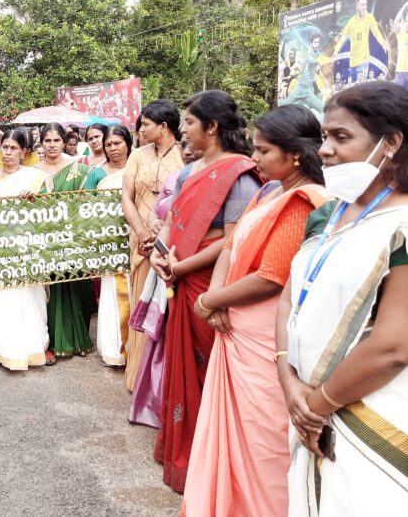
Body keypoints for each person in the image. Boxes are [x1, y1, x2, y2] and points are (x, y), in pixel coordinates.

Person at [183, 106, 331, 516]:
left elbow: (272, 277)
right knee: (234, 434)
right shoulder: (268, 191)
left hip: (265, 336)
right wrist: (214, 296)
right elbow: (231, 247)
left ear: (295, 155)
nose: (255, 159)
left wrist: (212, 301)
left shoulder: (305, 201)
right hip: (233, 321)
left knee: (262, 435)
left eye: (264, 151)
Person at [276, 82, 408, 515]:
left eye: (341, 136)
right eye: (324, 137)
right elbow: (291, 295)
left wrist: (317, 404)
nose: (326, 150)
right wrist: (288, 378)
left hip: (371, 414)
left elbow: (393, 347)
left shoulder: (401, 224)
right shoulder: (328, 214)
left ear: (391, 143)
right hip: (307, 404)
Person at [149, 91, 261, 493]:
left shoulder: (241, 174)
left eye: (190, 122)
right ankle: (188, 446)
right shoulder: (188, 172)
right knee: (182, 366)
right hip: (177, 276)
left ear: (212, 127)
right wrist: (161, 257)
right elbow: (171, 222)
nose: (182, 129)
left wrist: (180, 266)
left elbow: (233, 241)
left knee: (209, 370)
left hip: (208, 284)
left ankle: (215, 455)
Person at [128, 134, 202, 429]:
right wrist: (155, 230)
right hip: (162, 263)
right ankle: (159, 404)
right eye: (183, 145)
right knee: (162, 337)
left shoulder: (223, 180)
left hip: (188, 267)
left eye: (190, 144)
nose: (186, 151)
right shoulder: (178, 176)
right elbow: (163, 214)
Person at [121, 100, 185, 392]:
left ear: (164, 126)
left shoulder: (185, 156)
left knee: (168, 308)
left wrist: (162, 233)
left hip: (172, 246)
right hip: (141, 241)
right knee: (141, 303)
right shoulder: (137, 155)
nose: (142, 128)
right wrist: (141, 230)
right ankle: (138, 380)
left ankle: (163, 384)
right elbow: (127, 196)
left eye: (146, 123)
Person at [0, 129, 50, 369]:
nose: (7, 152)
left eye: (13, 148)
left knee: (31, 295)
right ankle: (3, 349)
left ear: (23, 152)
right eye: (4, 147)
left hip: (28, 246)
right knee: (4, 295)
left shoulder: (35, 178)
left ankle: (34, 347)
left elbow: (51, 213)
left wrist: (36, 199)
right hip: (1, 247)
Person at [37, 122, 95, 358]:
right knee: (51, 291)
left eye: (56, 140)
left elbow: (87, 205)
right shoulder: (32, 173)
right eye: (47, 141)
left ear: (64, 142)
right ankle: (53, 341)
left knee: (79, 286)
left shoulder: (78, 169)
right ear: (41, 143)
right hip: (45, 240)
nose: (52, 145)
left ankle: (77, 336)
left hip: (73, 239)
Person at [85, 125, 134, 367]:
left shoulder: (137, 167)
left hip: (135, 240)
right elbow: (86, 209)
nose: (113, 148)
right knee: (112, 294)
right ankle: (115, 350)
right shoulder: (96, 173)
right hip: (108, 244)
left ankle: (137, 351)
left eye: (117, 143)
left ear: (128, 142)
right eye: (108, 144)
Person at [336, 0, 388, 84]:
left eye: (365, 4)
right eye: (362, 5)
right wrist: (335, 52)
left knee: (361, 89)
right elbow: (343, 38)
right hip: (352, 63)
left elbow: (376, 32)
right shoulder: (351, 22)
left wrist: (383, 43)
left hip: (364, 62)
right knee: (354, 91)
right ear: (357, 6)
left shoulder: (369, 18)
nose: (364, 7)